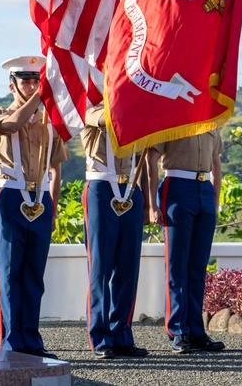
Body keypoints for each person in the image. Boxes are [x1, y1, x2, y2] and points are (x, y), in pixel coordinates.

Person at [0, 56, 67, 358]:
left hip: (41, 199)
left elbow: (57, 168)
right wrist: (42, 94)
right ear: (12, 85)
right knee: (10, 274)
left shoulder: (49, 120)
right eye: (26, 81)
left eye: (37, 80)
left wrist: (53, 207)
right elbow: (15, 123)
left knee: (34, 275)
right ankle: (11, 344)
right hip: (11, 196)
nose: (33, 86)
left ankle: (32, 342)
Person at [80, 103, 151, 359]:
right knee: (100, 267)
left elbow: (141, 161)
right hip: (101, 187)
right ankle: (100, 336)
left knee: (128, 268)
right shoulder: (91, 110)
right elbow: (108, 120)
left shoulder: (135, 108)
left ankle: (122, 333)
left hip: (131, 187)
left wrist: (146, 202)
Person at [147, 130, 225, 354]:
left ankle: (196, 332)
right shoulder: (171, 120)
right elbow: (151, 159)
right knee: (177, 265)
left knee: (198, 267)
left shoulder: (212, 124)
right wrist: (152, 204)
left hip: (204, 191)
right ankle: (178, 330)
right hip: (177, 187)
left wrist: (215, 201)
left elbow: (215, 163)